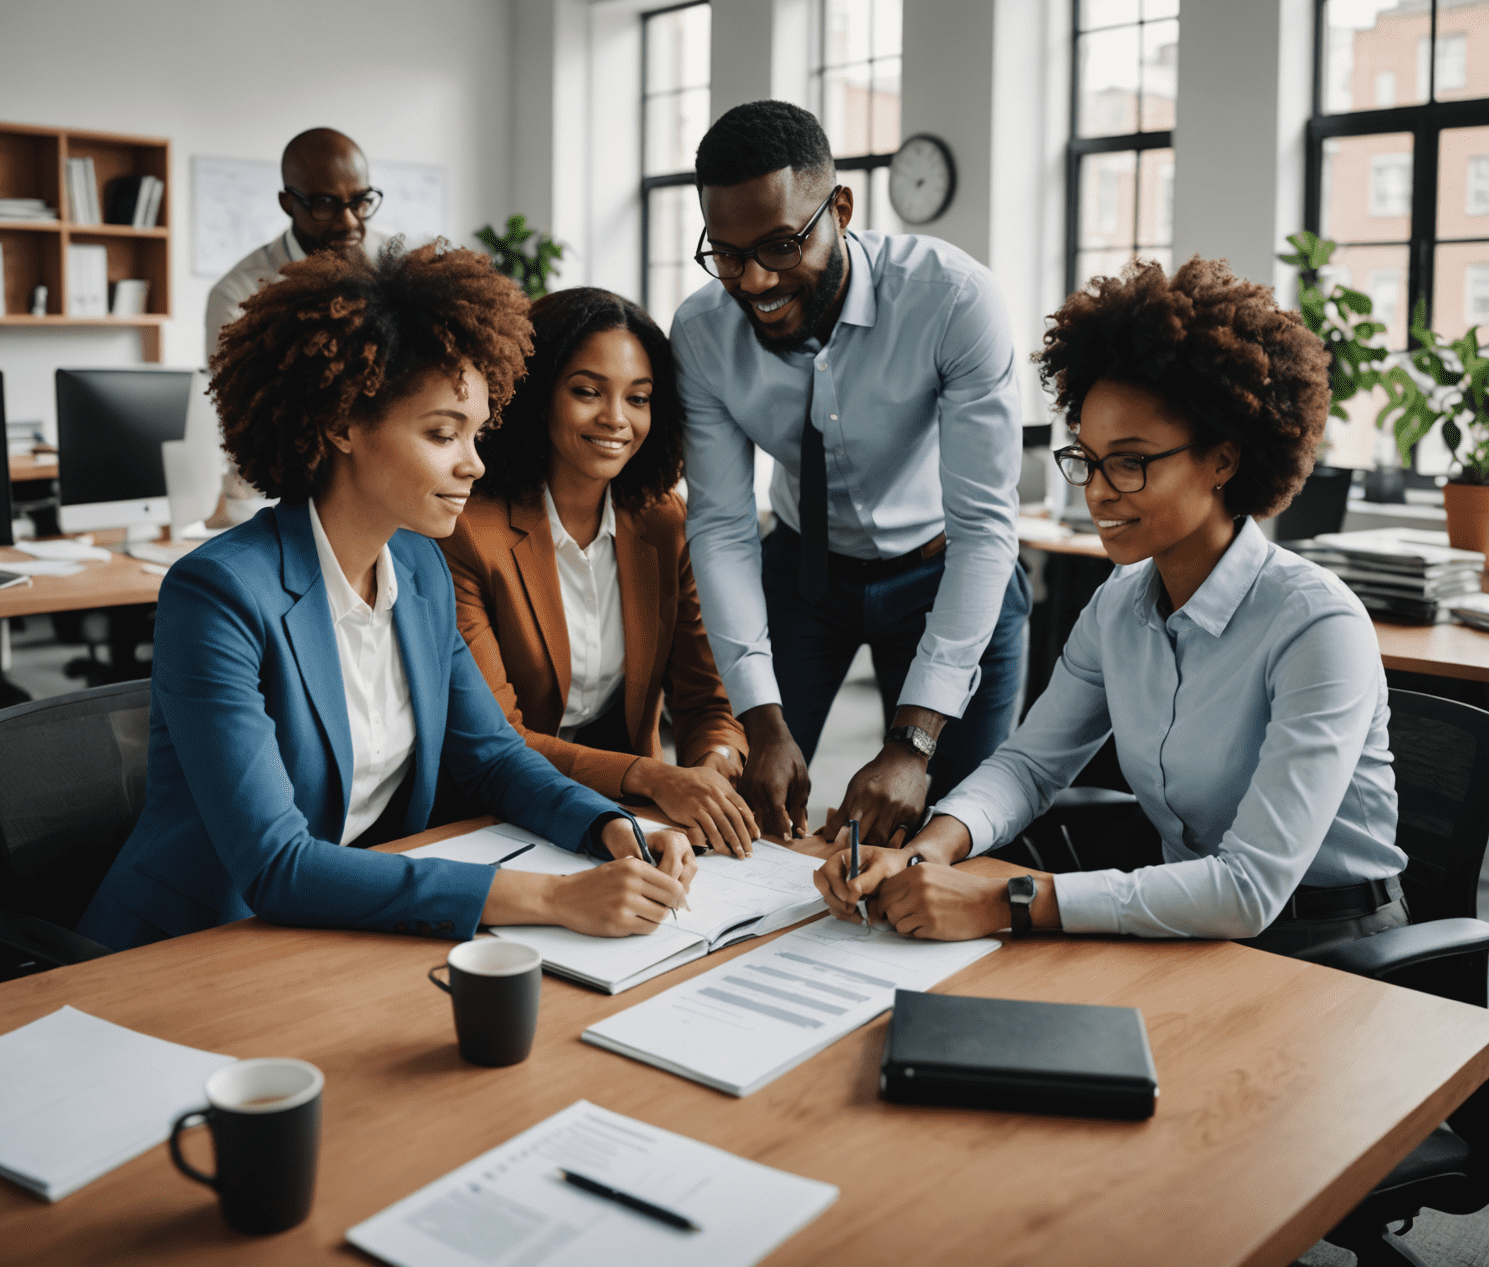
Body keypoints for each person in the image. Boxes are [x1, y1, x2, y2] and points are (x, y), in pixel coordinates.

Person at [80, 243, 694, 952]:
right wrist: (552, 898)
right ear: (342, 424)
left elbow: (491, 756)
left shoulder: (420, 567)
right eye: (442, 434)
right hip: (197, 945)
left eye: (476, 432)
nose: (475, 463)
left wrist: (612, 827)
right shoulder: (219, 594)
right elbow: (275, 866)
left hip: (343, 931)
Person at [815, 256, 1410, 960]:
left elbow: (1250, 889)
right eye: (1087, 459)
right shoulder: (1119, 605)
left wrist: (1005, 901)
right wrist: (926, 854)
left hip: (1332, 946)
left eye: (1129, 462)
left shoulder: (1317, 626)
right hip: (1187, 924)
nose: (1096, 492)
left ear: (1222, 459)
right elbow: (1029, 768)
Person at [671, 100, 1031, 847]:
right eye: (729, 254)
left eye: (778, 245)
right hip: (801, 576)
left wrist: (914, 743)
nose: (756, 281)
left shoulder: (952, 300)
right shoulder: (703, 332)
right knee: (748, 815)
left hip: (945, 571)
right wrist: (760, 720)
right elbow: (721, 526)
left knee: (950, 832)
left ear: (840, 208)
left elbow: (985, 527)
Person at [443, 288, 760, 859]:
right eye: (587, 392)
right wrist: (652, 776)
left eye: (638, 398)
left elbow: (708, 701)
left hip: (631, 819)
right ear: (541, 397)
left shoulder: (663, 522)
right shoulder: (470, 531)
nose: (616, 419)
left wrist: (712, 768)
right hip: (494, 816)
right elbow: (499, 739)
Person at [205, 128, 393, 523]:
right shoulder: (239, 294)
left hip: (384, 478)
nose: (348, 221)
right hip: (276, 491)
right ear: (288, 202)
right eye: (325, 204)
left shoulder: (397, 265)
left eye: (359, 202)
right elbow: (240, 422)